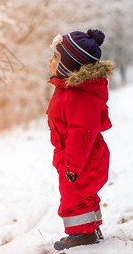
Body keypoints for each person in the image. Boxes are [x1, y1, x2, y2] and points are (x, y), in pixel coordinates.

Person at [46, 29, 115, 250]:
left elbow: (82, 133)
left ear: (69, 66)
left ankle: (81, 233)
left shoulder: (77, 95)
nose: (50, 60)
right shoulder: (70, 90)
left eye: (56, 57)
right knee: (83, 192)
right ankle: (91, 226)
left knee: (74, 194)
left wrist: (72, 165)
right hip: (78, 153)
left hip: (80, 156)